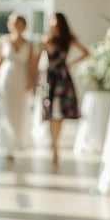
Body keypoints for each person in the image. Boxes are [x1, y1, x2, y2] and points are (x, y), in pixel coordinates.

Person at [39, 12, 89, 163]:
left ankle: (56, 144)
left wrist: (71, 64)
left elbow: (86, 52)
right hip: (49, 78)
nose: (51, 22)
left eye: (54, 19)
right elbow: (38, 58)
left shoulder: (69, 39)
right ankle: (53, 144)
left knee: (59, 113)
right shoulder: (46, 38)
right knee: (50, 113)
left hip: (62, 78)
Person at [0, 13, 37, 160]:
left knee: (21, 110)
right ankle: (8, 144)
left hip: (21, 78)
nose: (12, 25)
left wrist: (31, 80)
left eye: (15, 22)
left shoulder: (29, 43)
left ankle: (20, 141)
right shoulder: (4, 40)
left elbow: (31, 64)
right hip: (6, 78)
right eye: (11, 22)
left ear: (22, 25)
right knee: (6, 110)